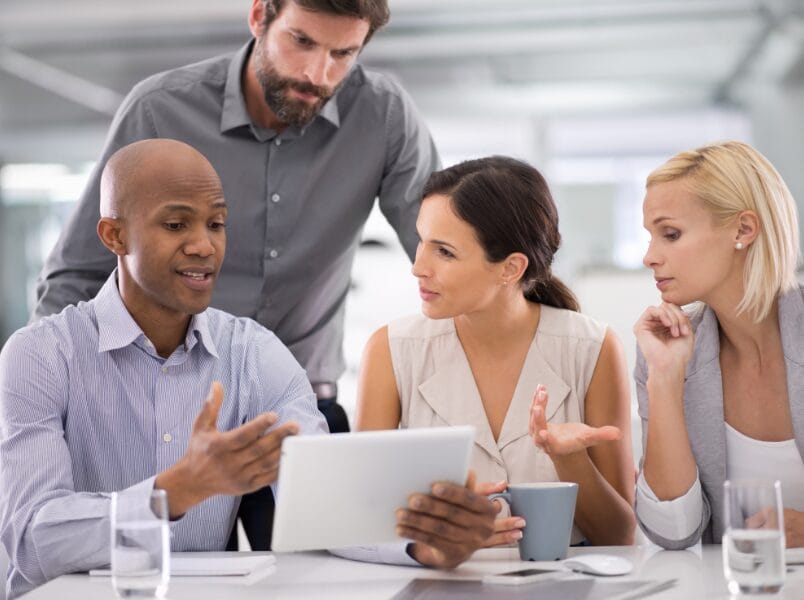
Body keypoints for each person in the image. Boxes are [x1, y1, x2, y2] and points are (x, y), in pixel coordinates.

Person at [0, 140, 491, 599]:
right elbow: (30, 541)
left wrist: (420, 544)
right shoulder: (41, 355)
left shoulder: (255, 354)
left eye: (216, 224)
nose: (204, 246)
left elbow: (324, 505)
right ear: (114, 235)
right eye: (176, 225)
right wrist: (177, 491)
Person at [32, 0, 439, 434]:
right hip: (164, 408)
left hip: (305, 409)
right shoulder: (160, 109)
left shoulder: (383, 115)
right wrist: (44, 404)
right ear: (259, 16)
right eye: (301, 41)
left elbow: (453, 253)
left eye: (343, 54)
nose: (317, 74)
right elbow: (78, 274)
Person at [355, 156, 636, 551]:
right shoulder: (391, 349)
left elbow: (620, 536)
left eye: (445, 252)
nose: (418, 267)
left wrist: (568, 460)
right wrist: (443, 538)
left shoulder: (592, 348)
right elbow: (360, 522)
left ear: (510, 268)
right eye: (421, 241)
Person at [634, 140, 804, 549]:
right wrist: (665, 381)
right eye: (651, 236)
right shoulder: (667, 350)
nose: (649, 257)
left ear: (743, 230)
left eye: (670, 234)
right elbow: (674, 532)